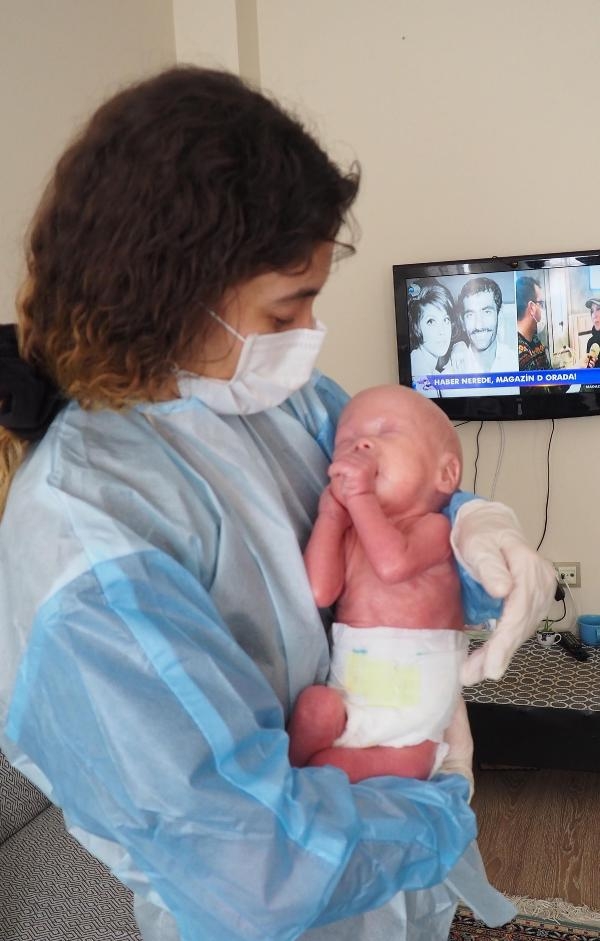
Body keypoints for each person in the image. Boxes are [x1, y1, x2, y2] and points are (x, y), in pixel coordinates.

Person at [0, 67, 555, 941]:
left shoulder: (265, 394)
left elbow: (400, 485)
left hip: (390, 874)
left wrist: (476, 528)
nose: (308, 338)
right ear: (169, 291)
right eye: (287, 309)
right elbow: (253, 867)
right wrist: (440, 802)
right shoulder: (87, 541)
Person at [288, 385, 469, 786]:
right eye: (346, 442)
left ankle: (308, 779)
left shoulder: (435, 529)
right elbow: (318, 592)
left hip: (412, 720)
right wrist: (330, 517)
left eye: (386, 432)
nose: (361, 445)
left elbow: (393, 565)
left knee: (342, 767)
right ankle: (286, 780)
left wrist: (360, 496)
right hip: (351, 691)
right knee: (314, 708)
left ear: (445, 474)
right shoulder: (352, 531)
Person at [408, 280, 467, 381]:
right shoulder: (417, 368)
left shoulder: (432, 371)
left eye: (446, 320)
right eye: (431, 321)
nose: (442, 331)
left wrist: (459, 345)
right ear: (416, 326)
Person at [516, 276, 551, 371]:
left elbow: (551, 376)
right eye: (541, 304)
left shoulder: (535, 340)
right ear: (532, 308)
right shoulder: (520, 353)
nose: (543, 309)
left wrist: (577, 367)